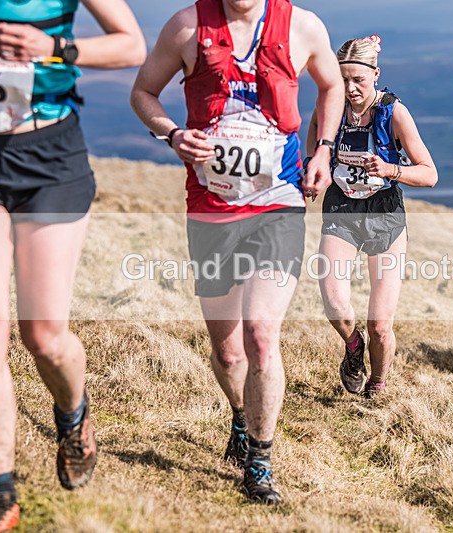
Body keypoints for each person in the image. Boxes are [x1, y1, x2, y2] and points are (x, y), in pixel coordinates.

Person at [130, 0, 343, 505]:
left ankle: (260, 463)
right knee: (228, 352)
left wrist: (324, 151)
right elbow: (143, 93)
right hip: (211, 208)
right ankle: (241, 417)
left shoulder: (304, 26)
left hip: (280, 203)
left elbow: (331, 85)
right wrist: (173, 133)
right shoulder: (186, 26)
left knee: (261, 335)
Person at [0, 1, 145, 531]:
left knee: (43, 335)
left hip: (48, 161)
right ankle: (0, 497)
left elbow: (131, 44)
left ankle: (72, 416)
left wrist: (55, 48)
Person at [306, 35, 437, 398]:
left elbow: (429, 173)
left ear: (375, 75)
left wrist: (391, 169)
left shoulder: (393, 112)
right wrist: (313, 168)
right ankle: (352, 346)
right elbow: (314, 134)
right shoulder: (329, 107)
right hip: (342, 209)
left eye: (358, 80)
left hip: (385, 215)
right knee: (333, 301)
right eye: (343, 79)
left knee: (380, 325)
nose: (349, 89)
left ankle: (377, 384)